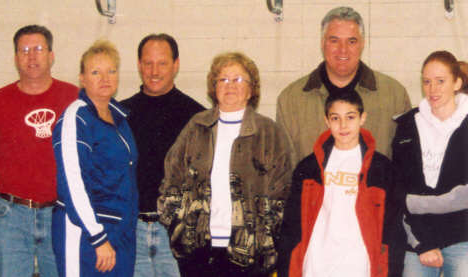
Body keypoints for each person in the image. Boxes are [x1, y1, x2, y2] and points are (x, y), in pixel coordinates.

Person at [157, 52, 294, 277]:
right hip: (198, 252)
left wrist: (266, 238)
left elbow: (284, 192)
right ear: (214, 86)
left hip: (251, 256)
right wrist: (178, 227)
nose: (230, 85)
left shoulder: (269, 133)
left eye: (238, 79)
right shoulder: (196, 127)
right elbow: (172, 179)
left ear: (251, 89)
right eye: (223, 79)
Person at [0, 25, 78, 277]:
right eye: (25, 50)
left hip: (60, 215)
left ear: (51, 55)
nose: (32, 56)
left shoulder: (74, 98)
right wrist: (14, 190)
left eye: (39, 49)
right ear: (15, 58)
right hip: (11, 216)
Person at [277, 91, 405, 277]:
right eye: (335, 118)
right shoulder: (309, 167)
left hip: (359, 265)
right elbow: (291, 226)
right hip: (316, 265)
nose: (343, 125)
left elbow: (393, 229)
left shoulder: (382, 169)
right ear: (327, 121)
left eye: (350, 117)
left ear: (363, 118)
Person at [277, 6, 411, 162]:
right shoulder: (290, 101)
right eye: (334, 40)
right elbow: (284, 172)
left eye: (351, 41)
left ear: (362, 44)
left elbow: (405, 166)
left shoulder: (394, 96)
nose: (343, 50)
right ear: (322, 43)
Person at [120, 33, 204, 277]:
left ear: (176, 65)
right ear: (138, 65)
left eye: (162, 63)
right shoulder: (120, 115)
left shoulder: (197, 117)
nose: (154, 71)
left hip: (176, 234)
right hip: (132, 232)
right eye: (148, 63)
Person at [52, 40, 138, 277]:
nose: (105, 78)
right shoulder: (76, 118)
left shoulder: (120, 118)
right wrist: (98, 238)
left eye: (111, 71)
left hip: (120, 232)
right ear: (82, 78)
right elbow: (73, 182)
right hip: (88, 234)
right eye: (95, 72)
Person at [392, 50, 468, 277]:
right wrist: (421, 243)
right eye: (427, 81)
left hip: (463, 237)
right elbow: (399, 189)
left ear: (456, 83)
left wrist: (416, 203)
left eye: (440, 81)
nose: (433, 89)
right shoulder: (406, 124)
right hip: (418, 240)